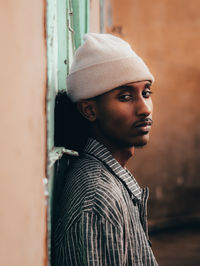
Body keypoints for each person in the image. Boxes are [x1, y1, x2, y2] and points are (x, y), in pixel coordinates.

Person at [52, 33, 158, 266]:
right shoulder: (98, 199)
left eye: (146, 93)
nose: (144, 109)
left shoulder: (109, 181)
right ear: (89, 111)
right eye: (126, 97)